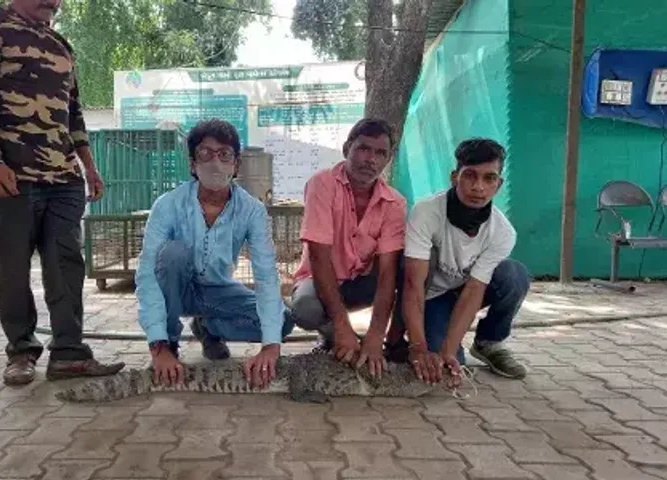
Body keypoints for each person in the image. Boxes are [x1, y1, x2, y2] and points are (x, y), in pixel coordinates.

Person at [0, 0, 124, 386]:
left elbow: (74, 113)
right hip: (11, 174)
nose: (53, 3)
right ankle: (21, 350)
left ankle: (69, 352)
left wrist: (90, 165)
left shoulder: (61, 46)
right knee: (13, 267)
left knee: (66, 265)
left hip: (64, 178)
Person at [134, 118, 294, 389]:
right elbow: (147, 275)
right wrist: (157, 345)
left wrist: (270, 347)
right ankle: (170, 345)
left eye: (224, 155)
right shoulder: (168, 205)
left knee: (283, 320)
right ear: (192, 164)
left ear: (236, 165)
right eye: (205, 154)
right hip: (177, 290)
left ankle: (209, 328)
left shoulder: (251, 210)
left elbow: (266, 275)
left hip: (218, 291)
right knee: (173, 254)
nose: (215, 163)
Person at [390, 138, 530, 388]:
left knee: (514, 275)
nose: (478, 187)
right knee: (442, 361)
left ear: (499, 185)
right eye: (470, 176)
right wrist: (418, 347)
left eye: (489, 178)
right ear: (455, 177)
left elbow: (474, 290)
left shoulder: (503, 232)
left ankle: (489, 342)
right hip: (431, 295)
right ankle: (427, 339)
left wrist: (448, 349)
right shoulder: (426, 213)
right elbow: (412, 284)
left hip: (467, 291)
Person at [288, 118, 408, 379]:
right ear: (346, 149)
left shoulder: (395, 203)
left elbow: (388, 273)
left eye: (380, 153)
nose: (371, 159)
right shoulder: (322, 184)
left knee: (407, 267)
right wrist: (343, 327)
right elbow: (319, 257)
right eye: (364, 148)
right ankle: (339, 336)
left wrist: (376, 336)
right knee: (306, 311)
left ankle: (387, 342)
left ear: (388, 159)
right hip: (319, 279)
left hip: (362, 284)